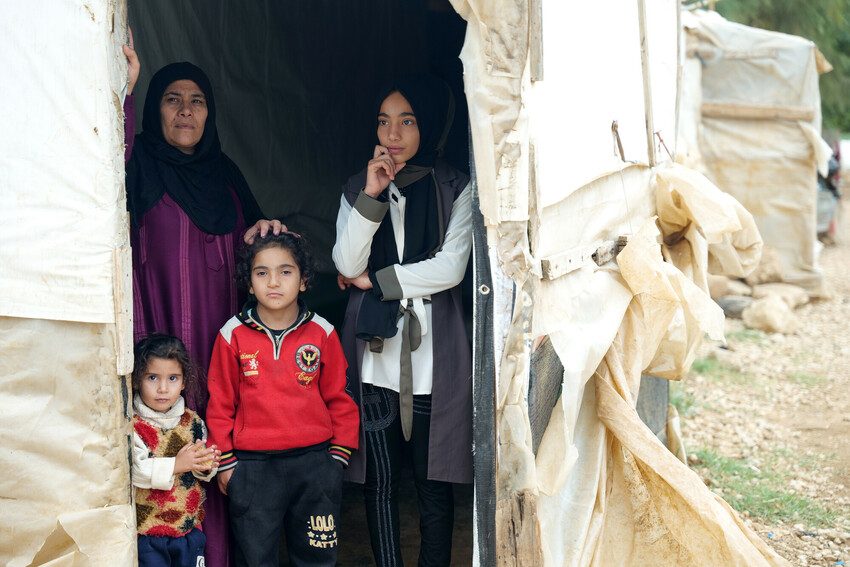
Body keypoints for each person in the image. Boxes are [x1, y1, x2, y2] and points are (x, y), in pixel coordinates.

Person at [123, 39, 282, 567]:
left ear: (210, 111)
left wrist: (262, 233)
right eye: (171, 98)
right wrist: (125, 86)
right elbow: (101, 149)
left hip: (217, 347)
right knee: (159, 447)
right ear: (154, 108)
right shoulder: (139, 161)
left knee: (214, 447)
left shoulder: (226, 175)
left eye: (197, 100)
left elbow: (257, 256)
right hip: (160, 341)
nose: (186, 110)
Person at [331, 75, 473, 567]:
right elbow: (348, 264)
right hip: (376, 361)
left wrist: (382, 280)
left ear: (428, 123)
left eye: (407, 121)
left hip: (436, 356)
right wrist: (373, 193)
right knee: (382, 484)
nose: (393, 134)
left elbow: (451, 267)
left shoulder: (458, 186)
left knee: (434, 487)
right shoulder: (358, 187)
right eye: (384, 121)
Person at [206, 232, 360, 567]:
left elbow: (340, 398)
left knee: (316, 558)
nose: (273, 282)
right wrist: (228, 465)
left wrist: (336, 459)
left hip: (315, 466)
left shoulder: (323, 333)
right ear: (249, 283)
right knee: (256, 558)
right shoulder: (231, 334)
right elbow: (220, 405)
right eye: (261, 273)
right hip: (253, 469)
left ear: (304, 281)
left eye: (285, 271)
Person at [131, 334, 221, 567]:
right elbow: (137, 471)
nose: (163, 388)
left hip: (187, 529)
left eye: (172, 378)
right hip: (147, 534)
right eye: (152, 377)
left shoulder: (193, 423)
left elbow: (199, 473)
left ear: (183, 382)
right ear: (137, 380)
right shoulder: (132, 425)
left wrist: (206, 466)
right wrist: (177, 465)